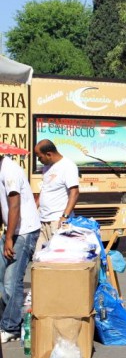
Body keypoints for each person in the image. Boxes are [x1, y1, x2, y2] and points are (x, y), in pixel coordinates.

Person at [0, 155, 41, 343]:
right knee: (2, 276)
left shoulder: (10, 171)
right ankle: (7, 319)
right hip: (11, 230)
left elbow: (14, 206)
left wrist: (9, 238)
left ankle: (11, 327)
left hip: (23, 231)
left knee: (12, 280)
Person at [33, 139, 79, 252]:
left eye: (40, 157)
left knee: (56, 259)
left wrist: (65, 217)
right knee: (38, 258)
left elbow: (75, 192)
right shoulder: (47, 167)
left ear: (49, 154)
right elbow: (44, 190)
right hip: (43, 220)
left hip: (57, 221)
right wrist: (34, 209)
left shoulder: (68, 166)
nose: (39, 160)